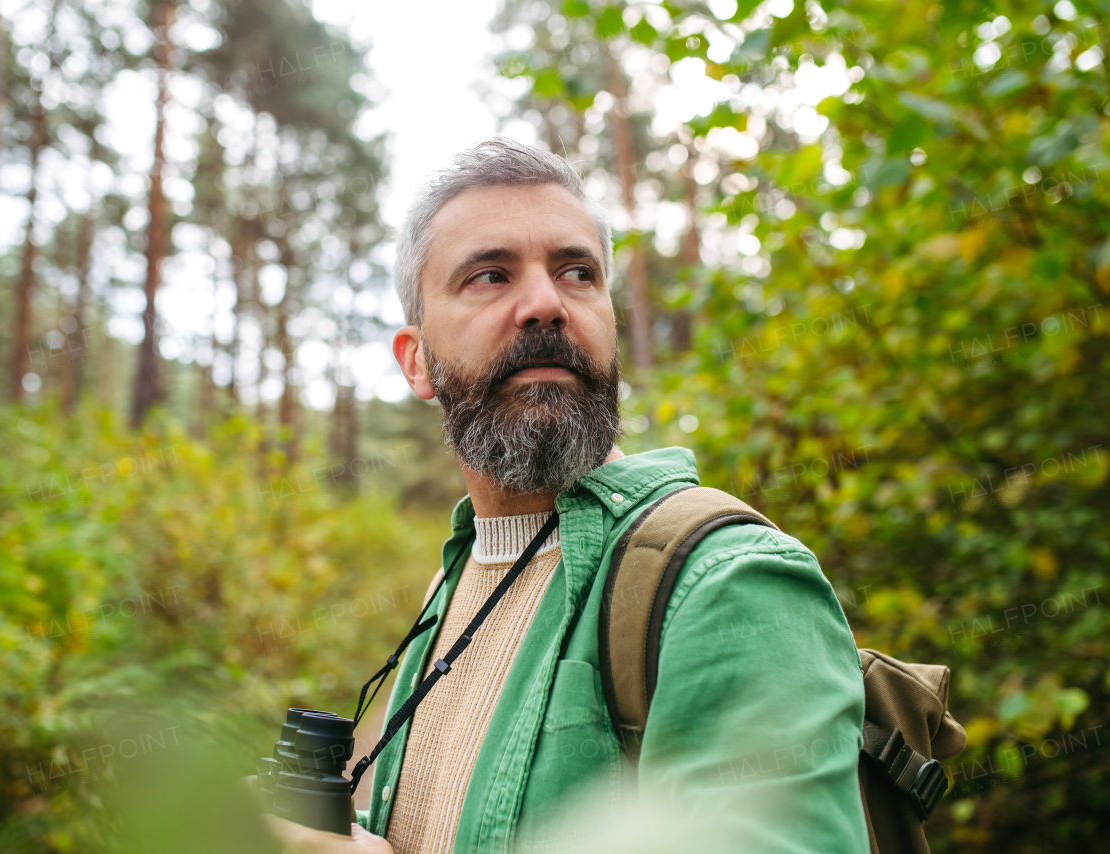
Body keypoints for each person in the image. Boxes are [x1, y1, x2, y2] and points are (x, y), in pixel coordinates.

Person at [269, 139, 869, 854]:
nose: (546, 305)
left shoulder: (726, 585)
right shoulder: (453, 583)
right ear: (417, 360)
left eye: (577, 272)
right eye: (490, 275)